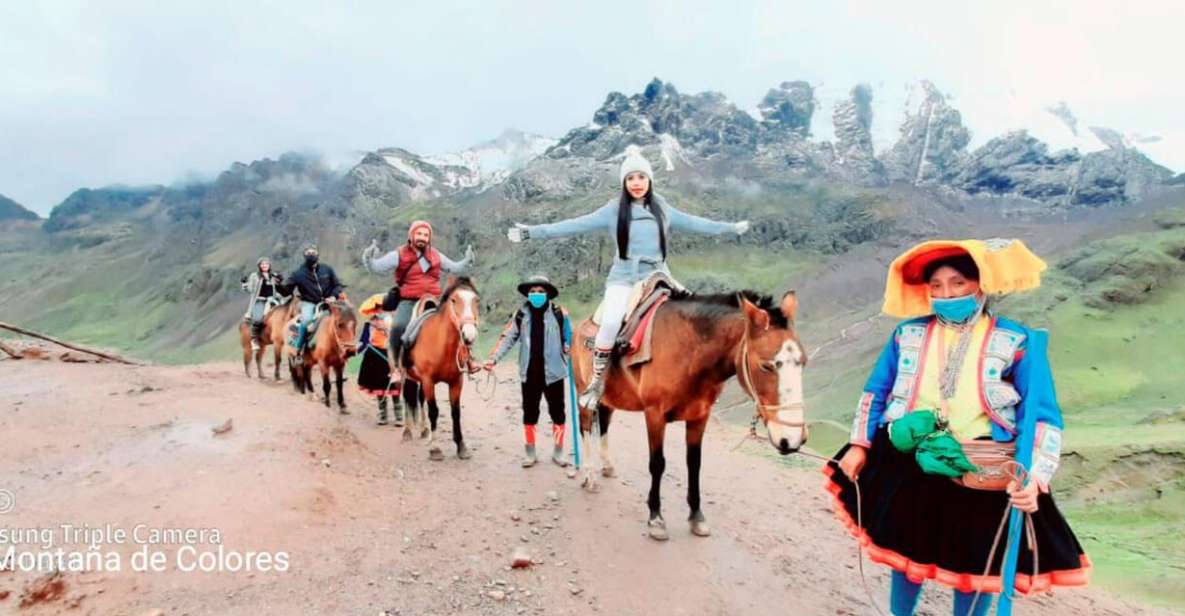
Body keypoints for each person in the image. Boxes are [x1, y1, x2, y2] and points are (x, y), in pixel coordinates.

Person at [826, 239, 1090, 616]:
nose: (945, 294)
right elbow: (876, 391)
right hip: (911, 461)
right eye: (936, 286)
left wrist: (1036, 476)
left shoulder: (1015, 341)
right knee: (906, 552)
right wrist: (860, 445)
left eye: (957, 283)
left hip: (979, 467)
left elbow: (1043, 415)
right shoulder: (908, 335)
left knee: (974, 566)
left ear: (979, 285)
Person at [505, 145, 749, 409]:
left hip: (659, 275)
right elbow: (574, 225)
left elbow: (697, 223)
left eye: (641, 177)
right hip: (624, 278)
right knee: (610, 324)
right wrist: (533, 232)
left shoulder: (663, 208)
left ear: (649, 180)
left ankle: (703, 380)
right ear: (624, 182)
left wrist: (731, 228)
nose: (636, 183)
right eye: (630, 178)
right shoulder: (613, 210)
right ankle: (597, 382)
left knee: (699, 317)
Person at [361, 220, 478, 400]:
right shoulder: (399, 254)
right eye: (419, 234)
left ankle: (468, 360)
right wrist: (368, 258)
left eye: (425, 234)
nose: (422, 237)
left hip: (433, 299)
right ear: (412, 235)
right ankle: (397, 369)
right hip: (408, 300)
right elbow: (377, 267)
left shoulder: (437, 255)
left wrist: (468, 259)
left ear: (429, 238)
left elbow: (455, 267)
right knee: (398, 328)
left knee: (459, 323)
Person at [484, 275, 573, 468]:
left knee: (558, 413)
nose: (536, 295)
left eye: (541, 292)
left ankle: (558, 451)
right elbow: (508, 337)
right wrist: (493, 359)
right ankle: (530, 452)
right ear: (528, 294)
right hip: (529, 373)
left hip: (554, 374)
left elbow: (569, 337)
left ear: (548, 293)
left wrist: (568, 346)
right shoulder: (521, 315)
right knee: (530, 413)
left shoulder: (560, 314)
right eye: (533, 291)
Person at [282, 245, 345, 364]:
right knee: (306, 322)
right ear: (304, 255)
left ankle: (345, 350)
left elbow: (337, 285)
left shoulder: (327, 269)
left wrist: (333, 296)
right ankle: (297, 351)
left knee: (345, 321)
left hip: (329, 303)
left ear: (317, 254)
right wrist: (279, 285)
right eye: (308, 252)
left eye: (313, 252)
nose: (311, 254)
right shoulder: (298, 274)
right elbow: (286, 291)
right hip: (309, 303)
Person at [357, 294, 397, 425]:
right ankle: (383, 415)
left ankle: (399, 415)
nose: (379, 310)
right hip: (375, 357)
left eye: (381, 307)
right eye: (377, 308)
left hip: (390, 355)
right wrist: (355, 351)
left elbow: (398, 337)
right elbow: (363, 341)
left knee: (394, 385)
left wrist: (385, 329)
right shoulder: (369, 323)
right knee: (379, 388)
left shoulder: (393, 320)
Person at [240, 257, 283, 351]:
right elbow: (250, 289)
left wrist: (280, 280)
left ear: (269, 265)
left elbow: (278, 287)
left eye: (266, 264)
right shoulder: (254, 276)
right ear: (259, 266)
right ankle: (254, 339)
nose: (264, 266)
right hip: (260, 300)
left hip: (273, 301)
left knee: (284, 315)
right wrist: (244, 284)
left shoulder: (273, 275)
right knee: (258, 318)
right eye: (262, 264)